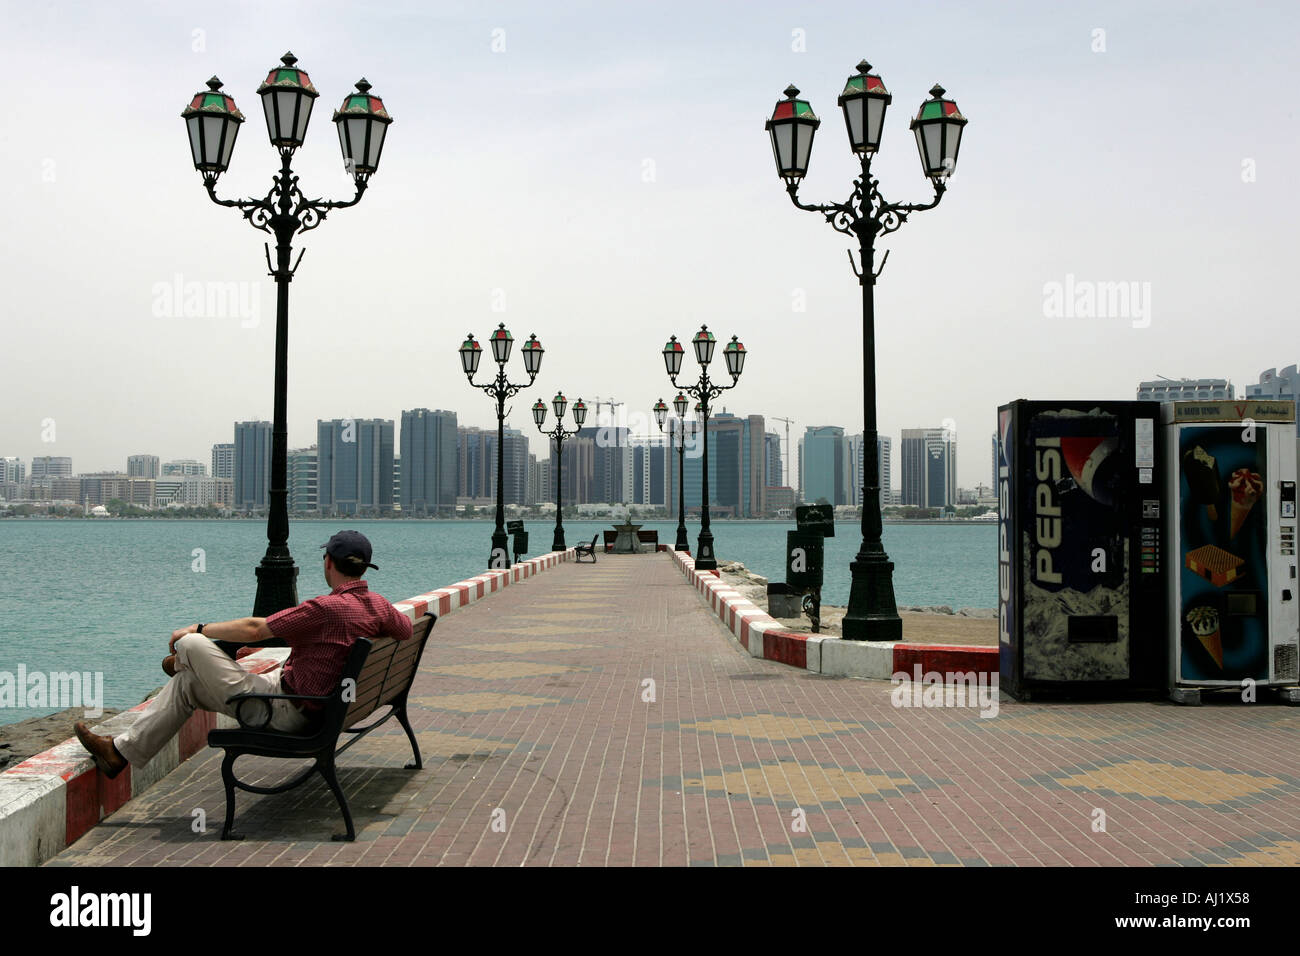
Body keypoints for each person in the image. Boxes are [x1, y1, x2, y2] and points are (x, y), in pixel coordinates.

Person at [75, 530, 413, 778]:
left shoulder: (325, 608)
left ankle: (179, 660)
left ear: (329, 563)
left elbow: (256, 628)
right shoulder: (379, 605)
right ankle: (119, 752)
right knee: (187, 685)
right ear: (365, 569)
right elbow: (406, 630)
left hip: (284, 711)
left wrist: (197, 628)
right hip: (319, 705)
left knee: (192, 646)